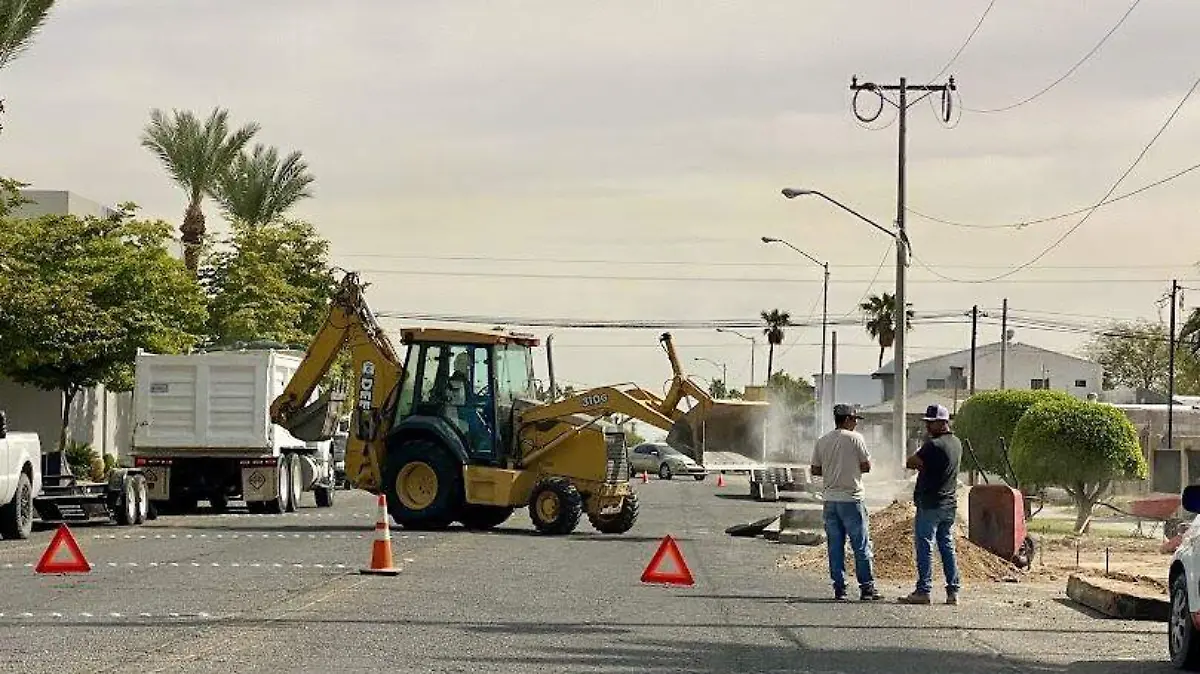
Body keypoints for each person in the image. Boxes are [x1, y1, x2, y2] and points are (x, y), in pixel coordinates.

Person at [810, 403, 882, 602]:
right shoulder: (856, 439)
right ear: (849, 419)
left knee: (835, 545)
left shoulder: (822, 440)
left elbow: (815, 470)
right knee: (860, 544)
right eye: (855, 420)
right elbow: (866, 466)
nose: (856, 424)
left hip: (830, 500)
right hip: (852, 499)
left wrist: (833, 471)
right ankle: (867, 588)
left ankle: (839, 588)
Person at [900, 403, 963, 606]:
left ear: (943, 422)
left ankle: (923, 590)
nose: (927, 427)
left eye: (931, 423)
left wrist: (922, 461)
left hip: (930, 504)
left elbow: (911, 462)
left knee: (925, 546)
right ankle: (953, 591)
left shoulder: (933, 445)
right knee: (947, 546)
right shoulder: (956, 443)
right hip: (949, 503)